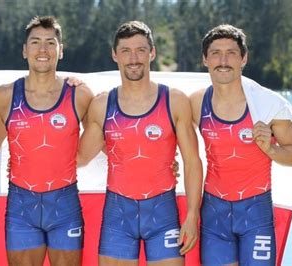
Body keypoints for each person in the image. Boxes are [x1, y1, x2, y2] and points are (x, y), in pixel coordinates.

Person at [77, 21, 203, 266]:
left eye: (141, 50)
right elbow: (80, 158)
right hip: (118, 213)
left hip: (162, 212)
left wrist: (191, 214)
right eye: (125, 50)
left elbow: (192, 161)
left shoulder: (174, 101)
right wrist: (74, 94)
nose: (133, 58)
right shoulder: (103, 105)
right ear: (115, 55)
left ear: (152, 52)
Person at [0, 16, 93, 265]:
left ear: (61, 50)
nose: (42, 50)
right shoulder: (5, 96)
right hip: (22, 205)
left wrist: (159, 163)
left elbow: (105, 144)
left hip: (64, 204)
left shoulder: (80, 94)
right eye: (35, 42)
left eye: (50, 43)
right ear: (25, 50)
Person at [190, 24, 292, 265]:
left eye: (231, 53)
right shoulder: (196, 103)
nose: (223, 60)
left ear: (244, 58)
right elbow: (171, 141)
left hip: (255, 211)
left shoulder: (268, 103)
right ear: (205, 59)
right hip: (214, 211)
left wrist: (271, 149)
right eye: (216, 53)